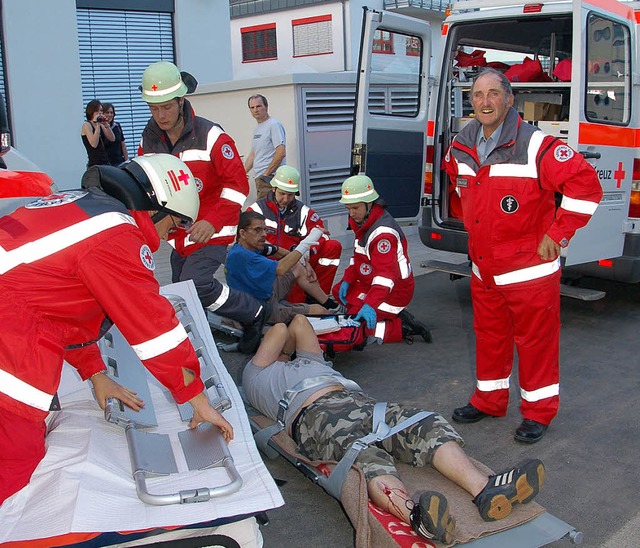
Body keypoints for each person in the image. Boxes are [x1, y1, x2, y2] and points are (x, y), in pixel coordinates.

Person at [0, 153, 234, 506]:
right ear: (156, 207)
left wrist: (96, 373)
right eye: (172, 227)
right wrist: (196, 398)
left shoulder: (83, 209)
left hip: (14, 320)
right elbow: (153, 327)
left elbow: (55, 307)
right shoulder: (116, 233)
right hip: (10, 335)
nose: (167, 239)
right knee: (14, 459)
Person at [242, 315, 545, 544]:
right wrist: (283, 347)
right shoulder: (256, 375)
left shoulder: (307, 361)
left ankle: (484, 490)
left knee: (422, 423)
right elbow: (282, 329)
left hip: (361, 403)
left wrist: (292, 350)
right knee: (365, 455)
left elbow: (298, 323)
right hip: (316, 414)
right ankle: (416, 516)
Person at [443, 68, 603, 443]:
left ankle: (539, 412)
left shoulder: (535, 145)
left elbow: (586, 186)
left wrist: (557, 232)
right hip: (484, 270)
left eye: (493, 94)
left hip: (529, 272)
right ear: (471, 101)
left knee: (535, 343)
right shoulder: (460, 145)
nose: (485, 101)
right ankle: (489, 400)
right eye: (478, 94)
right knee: (489, 337)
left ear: (509, 99)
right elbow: (458, 187)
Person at [138, 61, 267, 354]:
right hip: (178, 233)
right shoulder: (149, 138)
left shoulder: (211, 135)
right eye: (154, 108)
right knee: (181, 293)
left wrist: (211, 222)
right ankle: (199, 339)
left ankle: (253, 313)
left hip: (214, 228)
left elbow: (237, 186)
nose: (161, 115)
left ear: (182, 101)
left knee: (194, 283)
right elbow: (149, 183)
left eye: (167, 107)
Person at [334, 175, 430, 344]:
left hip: (395, 292)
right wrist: (347, 278)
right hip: (372, 281)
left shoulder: (383, 234)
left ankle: (400, 328)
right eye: (348, 208)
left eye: (355, 208)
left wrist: (370, 304)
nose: (351, 213)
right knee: (338, 292)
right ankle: (383, 315)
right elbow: (358, 256)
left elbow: (386, 278)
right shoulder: (364, 221)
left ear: (369, 203)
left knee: (354, 328)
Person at [226, 211, 344, 325]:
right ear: (242, 233)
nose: (264, 234)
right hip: (262, 310)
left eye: (264, 229)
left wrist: (304, 262)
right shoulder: (243, 256)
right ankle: (333, 315)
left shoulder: (243, 247)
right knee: (320, 311)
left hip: (259, 296)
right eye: (257, 230)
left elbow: (275, 250)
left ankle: (328, 303)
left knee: (296, 266)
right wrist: (308, 241)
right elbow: (281, 268)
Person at [247, 165, 342, 303]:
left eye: (290, 195)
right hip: (268, 264)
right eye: (282, 194)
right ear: (273, 189)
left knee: (332, 246)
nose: (286, 199)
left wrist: (306, 255)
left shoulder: (303, 212)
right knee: (292, 303)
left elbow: (323, 234)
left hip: (295, 262)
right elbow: (247, 240)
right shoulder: (257, 210)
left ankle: (317, 298)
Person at [243, 94, 286, 200]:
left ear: (266, 107)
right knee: (263, 212)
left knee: (266, 213)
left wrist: (266, 174)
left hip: (270, 179)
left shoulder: (273, 125)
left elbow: (281, 152)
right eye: (252, 107)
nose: (255, 110)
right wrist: (242, 174)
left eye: (258, 106)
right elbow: (253, 155)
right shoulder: (258, 129)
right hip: (260, 179)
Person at [81, 99, 115, 167]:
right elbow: (94, 144)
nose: (100, 113)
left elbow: (112, 138)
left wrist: (106, 124)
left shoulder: (101, 125)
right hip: (94, 163)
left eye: (101, 110)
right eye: (97, 111)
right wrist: (97, 125)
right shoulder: (87, 125)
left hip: (105, 161)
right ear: (91, 111)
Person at [102, 102, 129, 166]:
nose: (110, 115)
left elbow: (122, 144)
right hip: (106, 163)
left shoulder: (117, 126)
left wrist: (127, 160)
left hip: (119, 161)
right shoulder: (100, 128)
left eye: (111, 113)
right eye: (107, 112)